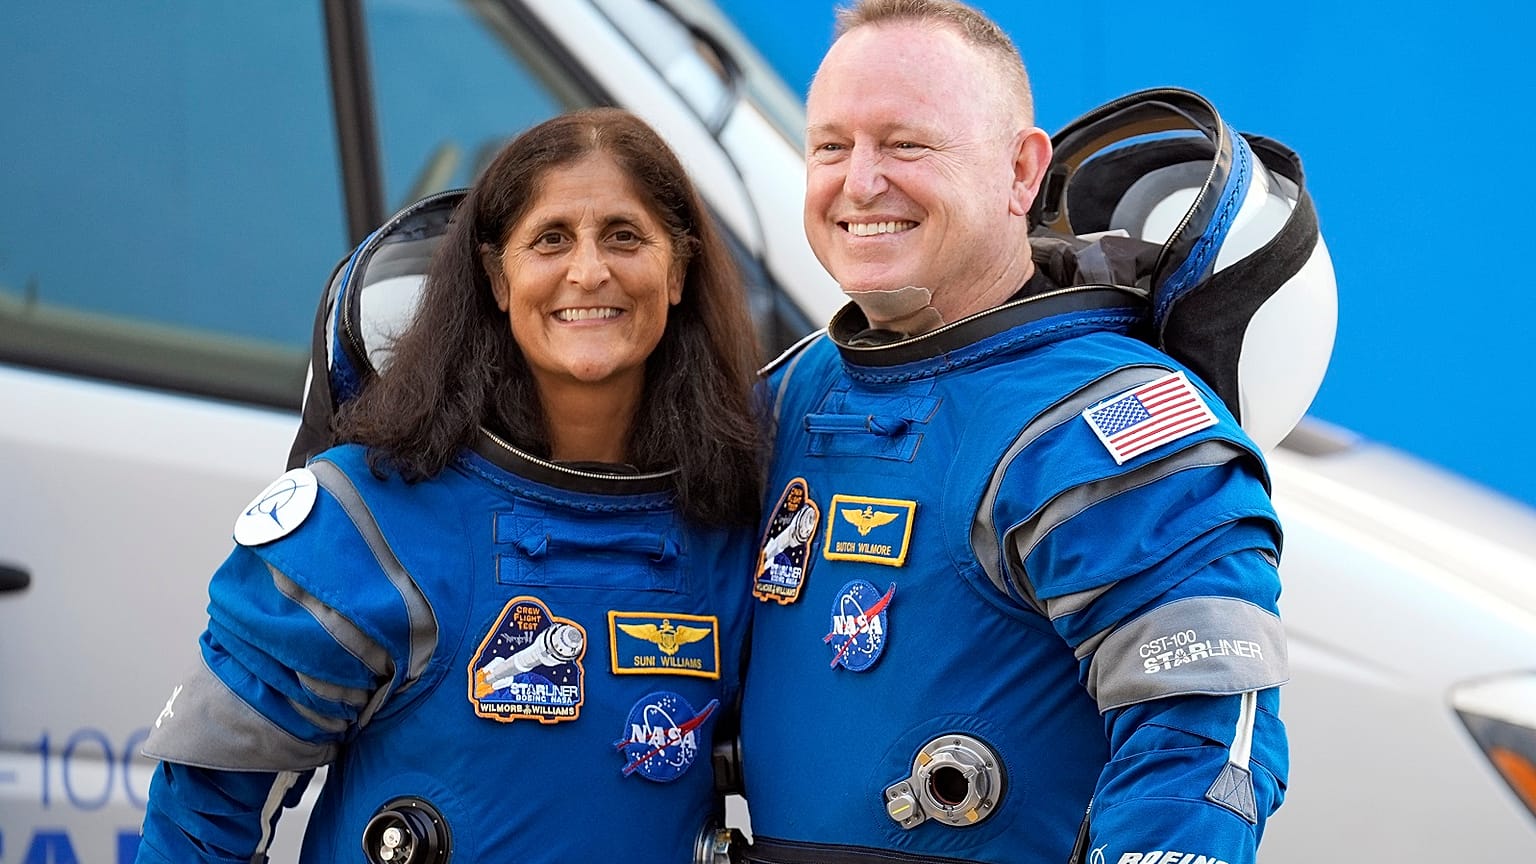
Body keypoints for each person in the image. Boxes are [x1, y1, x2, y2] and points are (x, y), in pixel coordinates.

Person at [134, 107, 764, 863]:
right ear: (498, 278)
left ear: (679, 270)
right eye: (551, 239)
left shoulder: (730, 521)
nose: (589, 271)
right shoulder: (367, 518)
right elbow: (201, 814)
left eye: (625, 236)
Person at [738, 3, 1289, 863]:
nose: (861, 180)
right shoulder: (797, 388)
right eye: (831, 146)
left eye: (906, 144)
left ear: (1021, 172)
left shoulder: (1109, 423)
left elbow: (1201, 744)